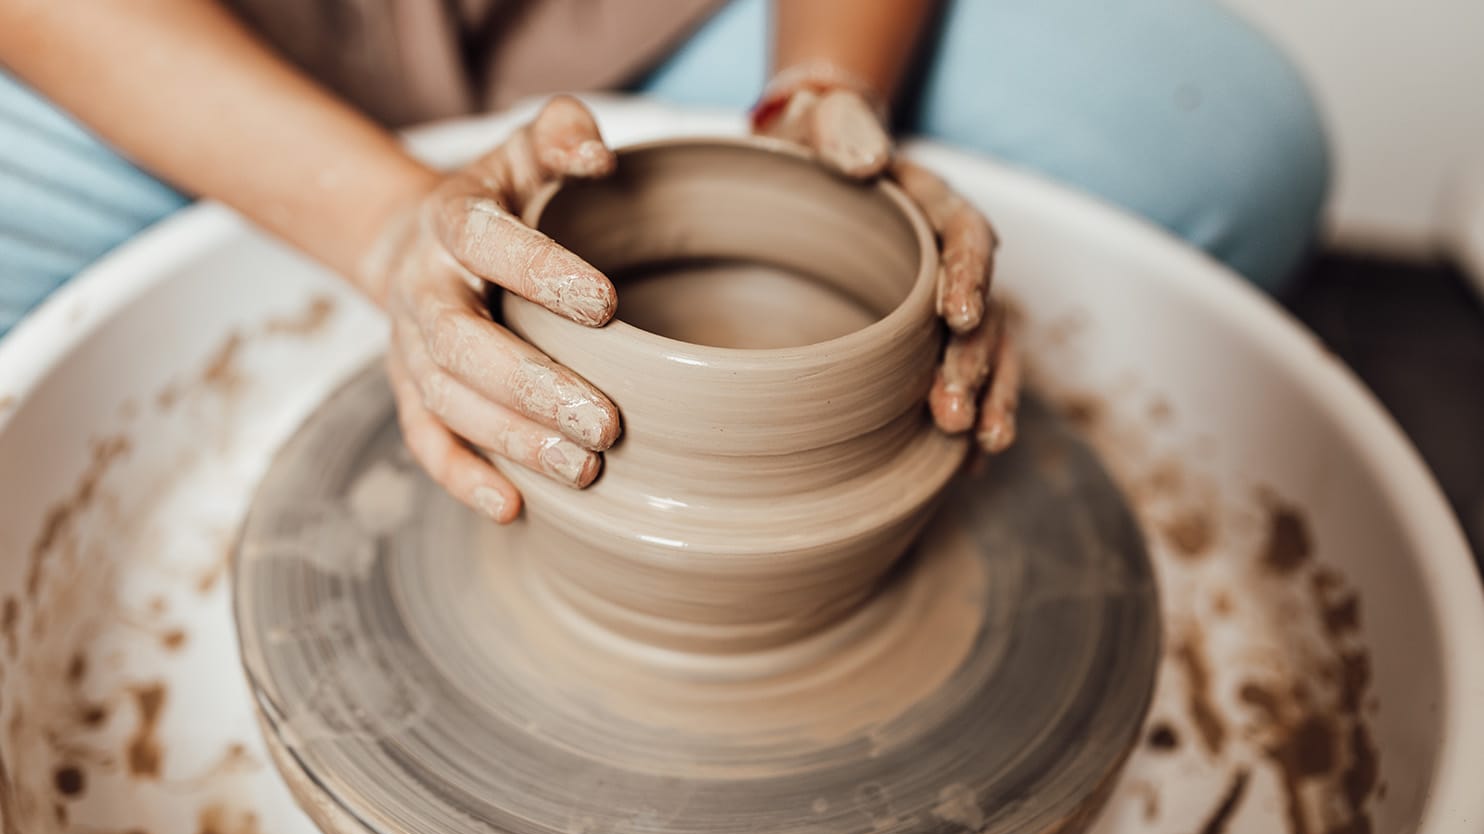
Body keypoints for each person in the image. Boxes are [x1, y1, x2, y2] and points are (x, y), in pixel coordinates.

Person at [0, 0, 1328, 523]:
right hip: (198, 38)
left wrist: (824, 94)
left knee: (1224, 145)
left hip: (630, 24)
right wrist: (386, 221)